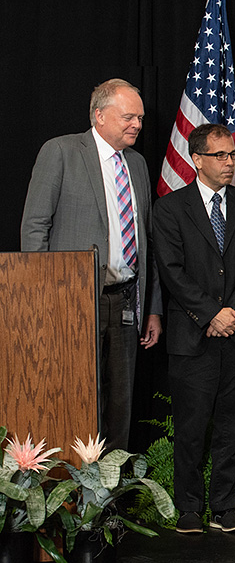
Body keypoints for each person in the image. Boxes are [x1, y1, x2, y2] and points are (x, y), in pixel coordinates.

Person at [20, 78, 162, 452]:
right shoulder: (62, 151)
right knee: (76, 396)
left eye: (141, 118)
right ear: (99, 115)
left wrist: (153, 309)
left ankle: (110, 498)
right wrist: (41, 297)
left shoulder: (138, 164)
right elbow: (35, 226)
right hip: (71, 300)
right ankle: (75, 499)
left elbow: (147, 242)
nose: (137, 125)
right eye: (129, 116)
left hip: (127, 301)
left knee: (120, 402)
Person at [152, 123, 235, 535]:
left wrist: (234, 309)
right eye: (220, 156)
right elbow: (171, 270)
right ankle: (188, 507)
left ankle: (224, 507)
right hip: (193, 335)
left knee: (233, 424)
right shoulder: (169, 208)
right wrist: (211, 313)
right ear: (196, 159)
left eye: (232, 155)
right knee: (191, 426)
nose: (229, 163)